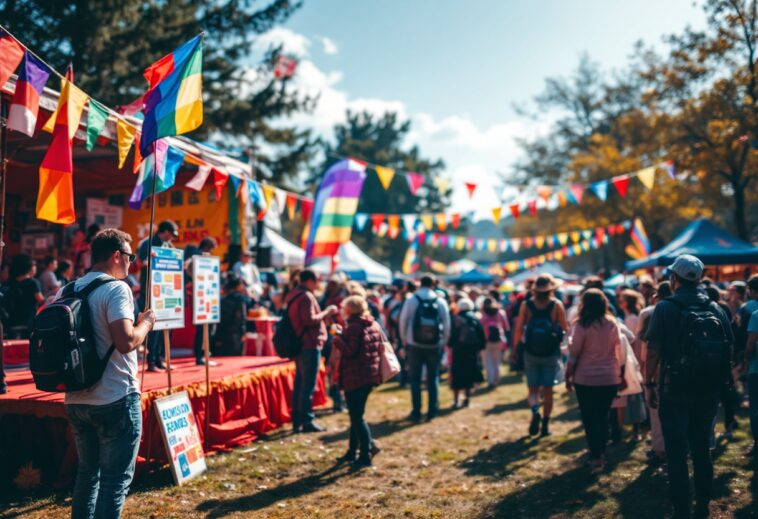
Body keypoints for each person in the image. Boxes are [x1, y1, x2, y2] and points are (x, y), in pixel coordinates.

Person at [64, 229, 156, 519]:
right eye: (129, 257)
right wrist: (146, 324)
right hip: (115, 396)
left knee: (87, 475)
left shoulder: (67, 289)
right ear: (116, 255)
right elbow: (126, 341)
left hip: (76, 397)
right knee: (114, 482)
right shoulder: (117, 289)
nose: (131, 263)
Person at [646, 255, 734, 519]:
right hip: (708, 388)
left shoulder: (665, 308)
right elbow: (729, 346)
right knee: (701, 446)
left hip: (674, 388)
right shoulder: (716, 308)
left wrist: (649, 382)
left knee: (676, 450)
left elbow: (653, 350)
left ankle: (681, 507)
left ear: (674, 279)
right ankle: (703, 502)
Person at [565, 288, 626, 473]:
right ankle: (600, 452)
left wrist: (568, 375)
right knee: (603, 415)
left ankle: (596, 455)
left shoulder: (581, 324)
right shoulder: (611, 323)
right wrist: (621, 374)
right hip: (609, 377)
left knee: (590, 418)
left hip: (586, 378)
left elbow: (574, 354)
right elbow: (618, 350)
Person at [512, 274, 569, 437]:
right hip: (551, 352)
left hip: (531, 351)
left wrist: (516, 348)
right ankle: (545, 425)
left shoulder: (526, 305)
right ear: (551, 289)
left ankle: (535, 410)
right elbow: (565, 328)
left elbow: (518, 329)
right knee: (549, 390)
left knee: (533, 389)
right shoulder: (556, 305)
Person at [333, 295, 383, 467]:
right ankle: (352, 452)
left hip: (356, 376)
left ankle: (366, 453)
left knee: (357, 417)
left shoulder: (354, 327)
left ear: (348, 310)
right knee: (356, 416)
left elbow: (350, 351)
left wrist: (338, 338)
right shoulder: (372, 324)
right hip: (368, 375)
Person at [286, 269, 338, 433]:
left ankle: (297, 421)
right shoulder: (306, 296)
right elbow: (309, 320)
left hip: (300, 344)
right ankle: (306, 420)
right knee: (307, 385)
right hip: (309, 344)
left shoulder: (293, 294)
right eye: (317, 281)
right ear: (310, 280)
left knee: (300, 384)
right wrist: (326, 312)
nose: (318, 284)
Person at [398, 274, 451, 422]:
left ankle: (416, 411)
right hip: (434, 344)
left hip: (414, 344)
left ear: (420, 283)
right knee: (433, 377)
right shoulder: (440, 301)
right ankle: (432, 410)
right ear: (433, 284)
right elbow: (447, 324)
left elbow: (403, 321)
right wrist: (443, 342)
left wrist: (404, 340)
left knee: (415, 379)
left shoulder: (411, 300)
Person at [638, 281, 673, 464]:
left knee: (657, 412)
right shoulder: (685, 310)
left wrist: (647, 379)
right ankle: (673, 448)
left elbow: (648, 351)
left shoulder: (652, 313)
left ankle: (660, 449)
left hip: (658, 370)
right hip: (679, 371)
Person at [137, 220, 178, 372]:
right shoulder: (147, 243)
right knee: (153, 325)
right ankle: (151, 362)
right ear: (165, 231)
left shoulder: (168, 245)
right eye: (171, 235)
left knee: (165, 324)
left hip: (165, 289)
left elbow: (175, 259)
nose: (171, 238)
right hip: (150, 288)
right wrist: (151, 260)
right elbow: (140, 263)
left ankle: (160, 359)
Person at [187, 237, 219, 365]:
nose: (211, 251)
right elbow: (191, 273)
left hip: (208, 297)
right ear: (206, 247)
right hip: (200, 298)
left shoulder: (205, 259)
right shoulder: (196, 259)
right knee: (202, 329)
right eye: (210, 248)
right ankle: (200, 356)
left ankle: (204, 354)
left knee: (209, 328)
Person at [449, 298, 485, 408]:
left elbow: (452, 336)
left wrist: (451, 345)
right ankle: (467, 399)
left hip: (458, 351)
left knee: (457, 376)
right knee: (469, 375)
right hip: (472, 352)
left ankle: (456, 401)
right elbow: (481, 336)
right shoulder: (475, 318)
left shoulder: (456, 319)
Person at [0, 254, 44, 339]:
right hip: (28, 324)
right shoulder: (33, 283)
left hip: (11, 324)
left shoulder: (7, 283)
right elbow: (41, 301)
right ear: (29, 267)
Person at [214, 276, 252, 356]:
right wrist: (243, 332)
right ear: (238, 286)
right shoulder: (241, 299)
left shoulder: (223, 299)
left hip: (224, 333)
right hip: (236, 333)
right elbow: (242, 318)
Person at [479, 297, 510, 388]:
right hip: (499, 339)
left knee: (487, 361)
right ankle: (497, 378)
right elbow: (507, 327)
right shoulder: (500, 312)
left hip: (486, 341)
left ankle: (491, 381)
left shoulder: (481, 314)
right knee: (497, 360)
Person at [743, 306, 758, 459]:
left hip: (756, 369)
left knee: (756, 408)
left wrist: (746, 358)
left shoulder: (756, 315)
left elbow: (751, 343)